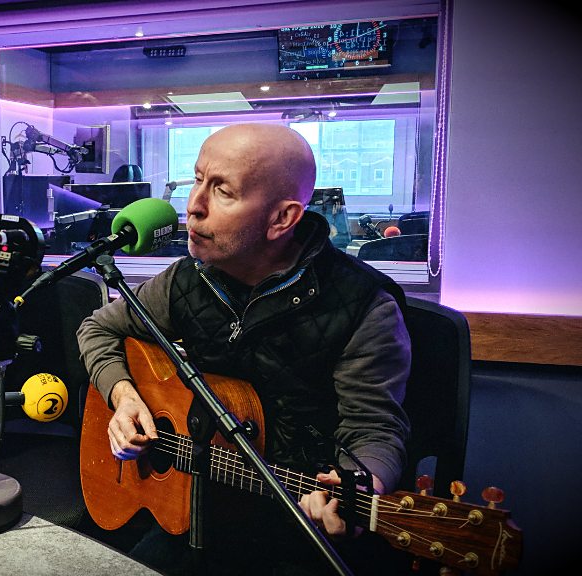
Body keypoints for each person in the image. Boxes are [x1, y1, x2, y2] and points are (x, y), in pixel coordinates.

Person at [77, 123, 412, 574]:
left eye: (222, 191)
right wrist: (123, 396)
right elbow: (98, 329)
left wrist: (359, 488)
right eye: (197, 180)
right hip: (199, 506)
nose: (193, 206)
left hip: (295, 525)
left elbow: (374, 429)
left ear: (282, 219)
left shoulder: (363, 305)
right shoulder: (187, 279)